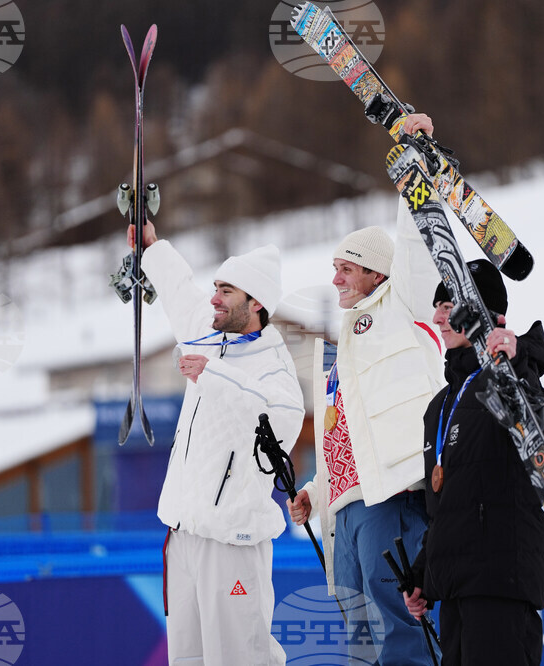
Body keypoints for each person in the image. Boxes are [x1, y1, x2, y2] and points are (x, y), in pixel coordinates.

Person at [287, 114, 446, 664]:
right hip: (347, 513)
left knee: (402, 630)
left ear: (378, 274)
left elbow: (417, 240)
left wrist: (414, 160)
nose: (334, 280)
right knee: (360, 641)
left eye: (346, 269)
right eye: (333, 268)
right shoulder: (339, 352)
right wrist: (317, 491)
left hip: (394, 498)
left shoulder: (405, 306)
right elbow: (343, 440)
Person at [130, 221, 305, 665]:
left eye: (226, 291)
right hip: (184, 534)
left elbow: (280, 420)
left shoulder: (275, 366)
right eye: (217, 287)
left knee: (240, 658)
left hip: (233, 543)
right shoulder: (209, 336)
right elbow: (179, 291)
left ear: (256, 301)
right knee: (187, 659)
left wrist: (213, 375)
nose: (214, 298)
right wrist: (151, 247)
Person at [403, 259, 544, 666]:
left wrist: (517, 358)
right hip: (453, 590)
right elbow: (445, 506)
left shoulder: (503, 381)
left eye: (449, 303)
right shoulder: (439, 407)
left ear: (493, 316)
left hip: (500, 583)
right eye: (436, 305)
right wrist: (423, 575)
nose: (438, 316)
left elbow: (541, 416)